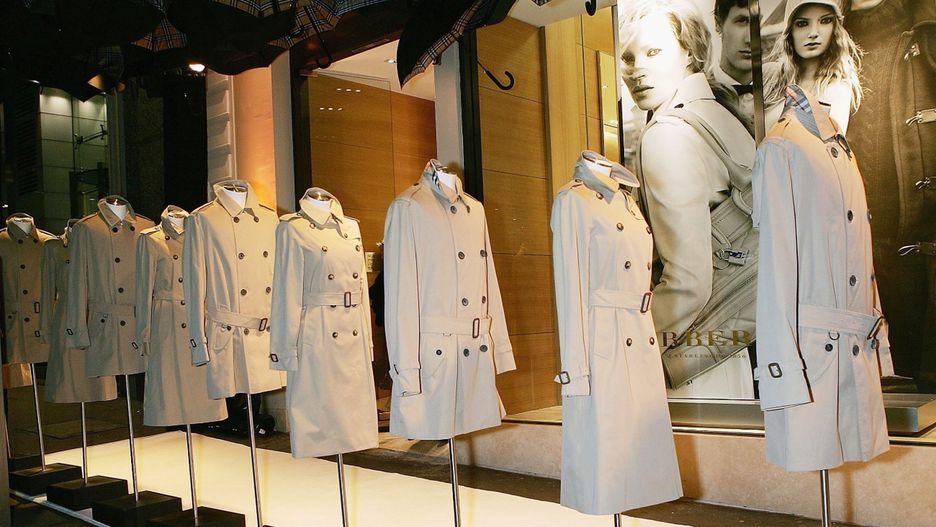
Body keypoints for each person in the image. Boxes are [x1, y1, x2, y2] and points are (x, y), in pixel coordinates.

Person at [619, 0, 755, 398]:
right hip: (729, 342)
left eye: (653, 52)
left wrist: (633, 348)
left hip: (689, 355)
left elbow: (688, 280)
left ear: (690, 53)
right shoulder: (720, 116)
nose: (637, 69)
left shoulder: (668, 135)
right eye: (628, 57)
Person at [763, 0, 863, 132]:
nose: (813, 33)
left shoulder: (837, 89)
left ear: (835, 28)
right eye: (802, 23)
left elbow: (829, 142)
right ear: (790, 31)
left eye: (825, 21)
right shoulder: (768, 75)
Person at [712, 0, 756, 131]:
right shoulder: (696, 91)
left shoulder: (785, 92)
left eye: (759, 22)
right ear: (718, 24)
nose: (751, 39)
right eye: (742, 21)